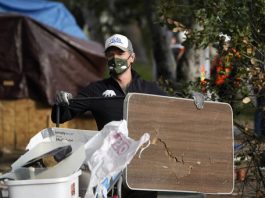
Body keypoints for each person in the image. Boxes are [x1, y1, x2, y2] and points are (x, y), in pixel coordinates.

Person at [51, 33, 166, 198]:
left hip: (143, 172)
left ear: (132, 57)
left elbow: (176, 112)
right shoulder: (96, 90)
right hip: (110, 172)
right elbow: (60, 116)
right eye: (110, 55)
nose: (115, 59)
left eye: (120, 54)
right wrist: (60, 101)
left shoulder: (149, 90)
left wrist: (197, 104)